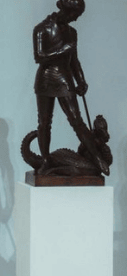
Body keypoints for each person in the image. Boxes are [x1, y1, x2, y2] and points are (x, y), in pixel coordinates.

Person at [33, 0, 109, 175]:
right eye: (75, 15)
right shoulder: (42, 28)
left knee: (76, 119)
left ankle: (96, 158)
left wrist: (81, 81)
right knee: (44, 122)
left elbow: (74, 61)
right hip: (46, 78)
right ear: (67, 11)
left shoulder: (72, 32)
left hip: (65, 79)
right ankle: (45, 161)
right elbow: (40, 57)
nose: (76, 19)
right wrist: (63, 49)